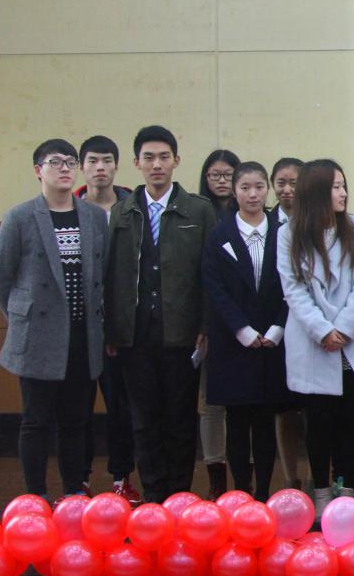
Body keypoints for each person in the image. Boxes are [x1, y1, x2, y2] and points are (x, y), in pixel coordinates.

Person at [0, 140, 108, 501]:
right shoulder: (20, 217)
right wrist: (21, 317)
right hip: (38, 335)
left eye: (71, 162)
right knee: (36, 421)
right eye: (56, 162)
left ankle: (73, 495)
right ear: (38, 171)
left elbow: (103, 272)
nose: (65, 168)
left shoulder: (93, 217)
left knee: (75, 421)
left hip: (82, 335)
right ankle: (35, 498)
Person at [104, 125, 216, 503]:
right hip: (135, 333)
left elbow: (210, 274)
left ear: (176, 161)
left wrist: (205, 325)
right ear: (136, 163)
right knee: (143, 419)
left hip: (182, 332)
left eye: (164, 157)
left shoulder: (199, 210)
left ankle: (179, 496)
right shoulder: (122, 212)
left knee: (180, 417)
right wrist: (112, 330)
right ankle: (153, 495)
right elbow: (112, 276)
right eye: (149, 157)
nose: (157, 165)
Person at [276, 159, 354, 511]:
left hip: (351, 342)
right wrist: (323, 330)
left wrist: (344, 328)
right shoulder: (289, 233)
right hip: (313, 342)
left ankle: (347, 494)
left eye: (344, 186)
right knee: (318, 424)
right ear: (316, 192)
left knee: (351, 422)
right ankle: (320, 494)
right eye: (336, 187)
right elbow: (293, 289)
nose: (343, 193)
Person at [203, 162, 293, 502]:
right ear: (234, 191)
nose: (253, 194)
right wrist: (241, 329)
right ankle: (241, 491)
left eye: (258, 187)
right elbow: (213, 288)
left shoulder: (284, 232)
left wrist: (278, 328)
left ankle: (265, 493)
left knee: (265, 421)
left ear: (267, 189)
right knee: (237, 421)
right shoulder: (219, 234)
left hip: (272, 342)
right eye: (245, 188)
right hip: (233, 344)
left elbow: (294, 285)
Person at [75, 135, 139, 503]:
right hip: (81, 329)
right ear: (82, 166)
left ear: (117, 165)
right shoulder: (69, 207)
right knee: (78, 408)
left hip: (121, 328)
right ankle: (79, 480)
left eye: (107, 161)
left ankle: (121, 478)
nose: (100, 168)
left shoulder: (132, 207)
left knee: (121, 408)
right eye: (93, 161)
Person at [194, 148, 241, 497]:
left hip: (248, 324)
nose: (222, 181)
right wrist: (203, 326)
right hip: (210, 321)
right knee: (211, 403)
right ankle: (216, 477)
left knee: (244, 405)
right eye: (215, 175)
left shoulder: (253, 215)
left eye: (229, 175)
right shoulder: (197, 214)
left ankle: (245, 478)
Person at [268, 156, 306, 490]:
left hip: (317, 330)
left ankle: (325, 479)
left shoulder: (321, 222)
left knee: (319, 410)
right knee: (284, 409)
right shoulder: (265, 225)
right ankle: (291, 478)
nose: (287, 189)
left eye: (294, 182)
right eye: (280, 182)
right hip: (277, 330)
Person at [270, 157, 304, 224]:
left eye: (294, 183)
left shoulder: (316, 221)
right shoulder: (266, 222)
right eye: (281, 183)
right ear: (273, 184)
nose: (287, 191)